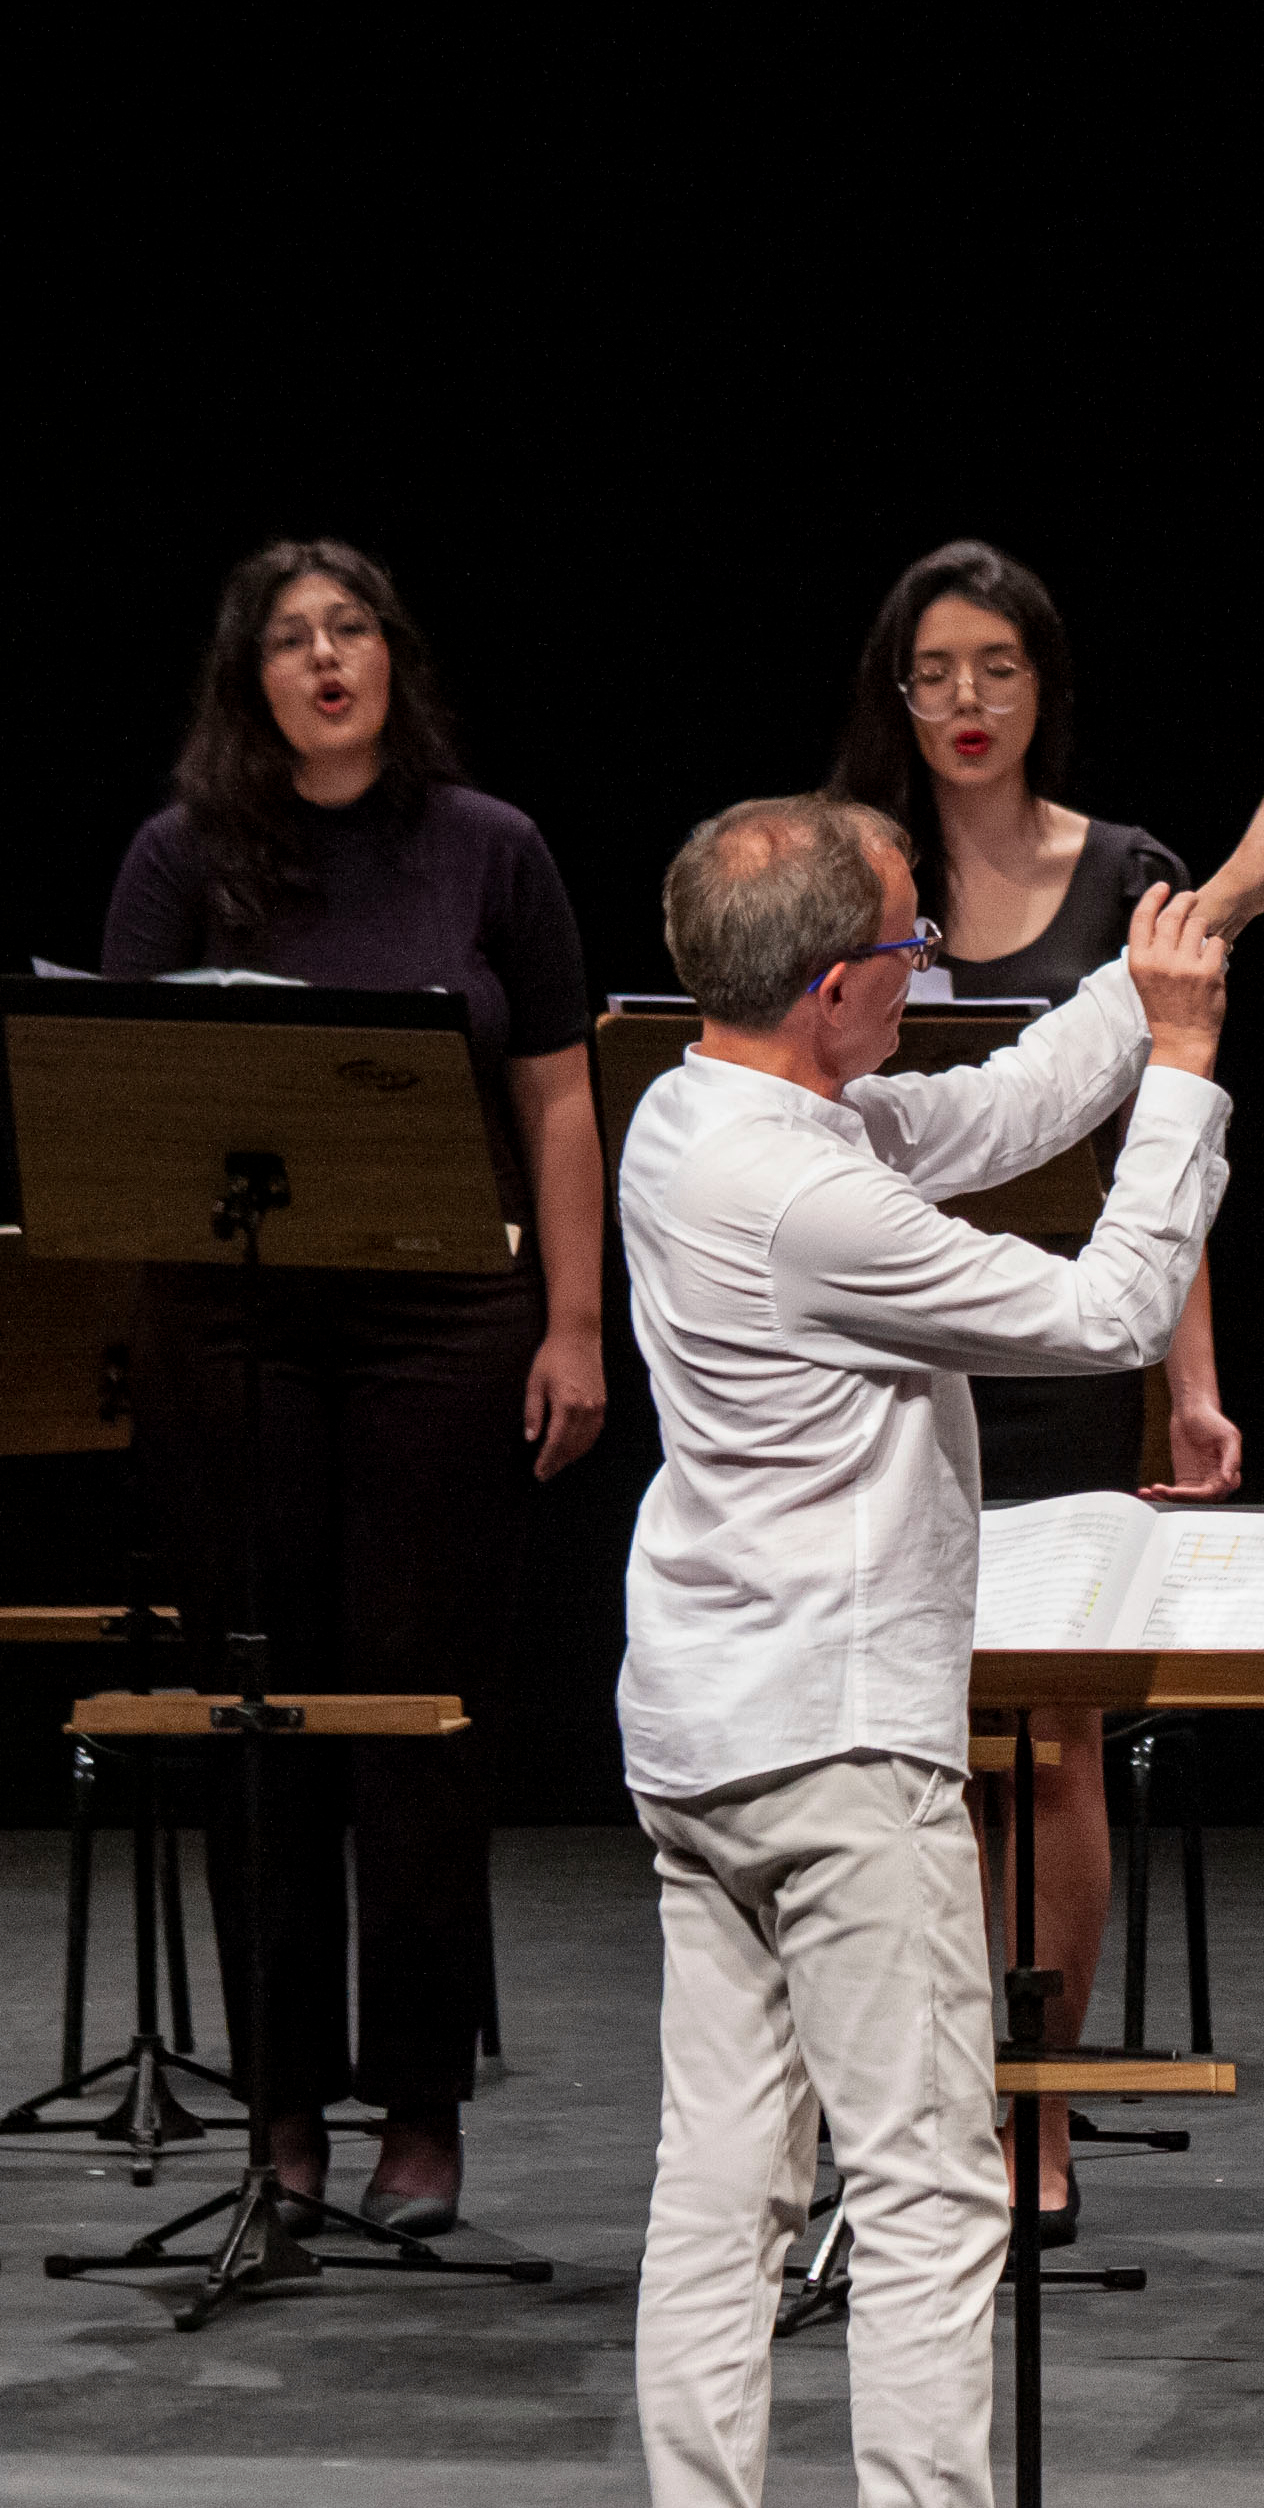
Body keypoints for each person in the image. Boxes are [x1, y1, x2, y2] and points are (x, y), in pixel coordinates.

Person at [616, 749, 1264, 2508]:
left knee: (722, 2187)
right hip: (838, 1746)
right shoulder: (808, 1203)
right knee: (933, 2187)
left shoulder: (697, 1107)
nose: (931, 964)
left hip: (708, 1731)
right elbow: (1111, 1310)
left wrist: (1226, 903)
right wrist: (1184, 1067)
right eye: (910, 946)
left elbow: (1009, 1104)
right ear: (835, 988)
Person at [101, 538, 607, 2238]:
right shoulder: (181, 861)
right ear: (250, 680)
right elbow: (135, 1108)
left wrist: (575, 1321)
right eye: (291, 641)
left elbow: (555, 1098)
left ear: (393, 658)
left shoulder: (492, 851)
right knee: (261, 1719)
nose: (326, 661)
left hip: (445, 1326)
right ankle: (285, 2108)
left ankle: (422, 2102)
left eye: (352, 632)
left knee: (417, 1718)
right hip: (235, 1330)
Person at [829, 537, 1238, 2233]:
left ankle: (1038, 2121)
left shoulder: (1123, 870)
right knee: (920, 1746)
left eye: (999, 666)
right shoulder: (853, 876)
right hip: (879, 1346)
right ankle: (914, 2109)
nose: (969, 700)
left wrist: (1188, 1385)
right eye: (937, 670)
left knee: (1054, 1745)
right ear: (898, 692)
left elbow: (1167, 1147)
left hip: (1068, 1340)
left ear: (1042, 685)